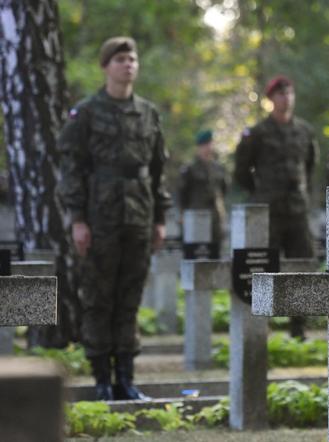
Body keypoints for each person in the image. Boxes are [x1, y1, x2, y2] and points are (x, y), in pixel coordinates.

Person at [58, 37, 171, 400]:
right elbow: (72, 169)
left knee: (129, 297)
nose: (128, 65)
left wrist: (159, 217)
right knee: (98, 297)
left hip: (138, 214)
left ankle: (126, 378)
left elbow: (157, 171)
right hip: (99, 216)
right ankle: (101, 379)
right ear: (106, 66)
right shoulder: (87, 113)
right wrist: (78, 219)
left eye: (132, 59)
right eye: (120, 59)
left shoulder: (149, 113)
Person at [234, 75, 318, 339]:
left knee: (301, 265)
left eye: (290, 93)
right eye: (280, 94)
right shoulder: (257, 133)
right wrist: (261, 193)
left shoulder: (304, 131)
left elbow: (310, 165)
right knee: (264, 266)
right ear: (271, 99)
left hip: (296, 210)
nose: (286, 98)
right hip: (268, 211)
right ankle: (263, 324)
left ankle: (298, 326)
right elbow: (241, 172)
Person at [178, 129, 228, 251]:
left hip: (215, 220)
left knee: (215, 254)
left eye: (209, 144)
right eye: (204, 145)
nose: (207, 148)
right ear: (198, 147)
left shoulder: (219, 168)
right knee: (195, 255)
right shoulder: (190, 169)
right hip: (196, 218)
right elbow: (182, 193)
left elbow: (224, 189)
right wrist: (183, 213)